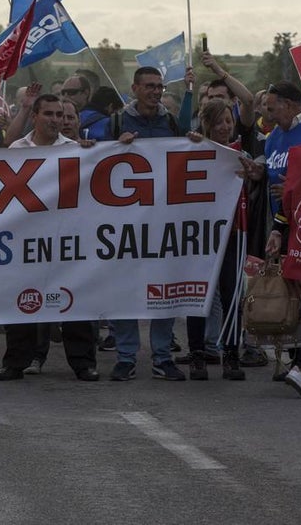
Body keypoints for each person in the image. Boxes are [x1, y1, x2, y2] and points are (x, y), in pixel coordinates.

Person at [0, 94, 100, 382]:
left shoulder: (76, 149)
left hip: (66, 237)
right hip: (27, 238)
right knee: (22, 301)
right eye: (49, 114)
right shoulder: (17, 149)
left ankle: (83, 363)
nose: (56, 120)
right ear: (35, 117)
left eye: (59, 115)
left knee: (75, 300)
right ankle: (15, 362)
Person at [104, 67, 188, 382]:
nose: (155, 91)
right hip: (124, 225)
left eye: (159, 86)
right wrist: (115, 148)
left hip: (163, 224)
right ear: (135, 88)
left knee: (164, 290)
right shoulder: (116, 123)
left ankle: (162, 357)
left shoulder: (171, 122)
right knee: (125, 291)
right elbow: (92, 161)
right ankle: (126, 357)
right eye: (149, 86)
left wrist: (193, 143)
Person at [182, 99, 260, 381]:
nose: (225, 127)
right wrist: (193, 143)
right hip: (201, 234)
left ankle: (230, 354)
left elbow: (258, 175)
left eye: (228, 120)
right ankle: (197, 355)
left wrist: (254, 174)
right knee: (197, 294)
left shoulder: (240, 152)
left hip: (234, 233)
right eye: (218, 122)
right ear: (206, 124)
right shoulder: (196, 149)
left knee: (231, 296)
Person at [259, 82, 301, 397]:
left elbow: (296, 186)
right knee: (299, 300)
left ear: (291, 105)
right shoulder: (273, 137)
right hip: (293, 224)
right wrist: (278, 228)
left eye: (273, 106)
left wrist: (292, 191)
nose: (267, 112)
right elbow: (279, 184)